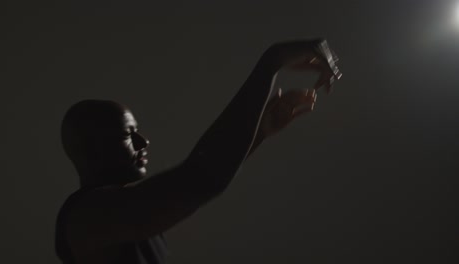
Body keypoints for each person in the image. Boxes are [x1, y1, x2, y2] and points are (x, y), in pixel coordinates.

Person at [55, 39, 342, 264]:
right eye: (128, 135)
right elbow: (200, 179)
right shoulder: (85, 216)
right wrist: (272, 61)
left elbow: (194, 186)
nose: (144, 142)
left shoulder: (124, 211)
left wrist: (260, 131)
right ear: (91, 149)